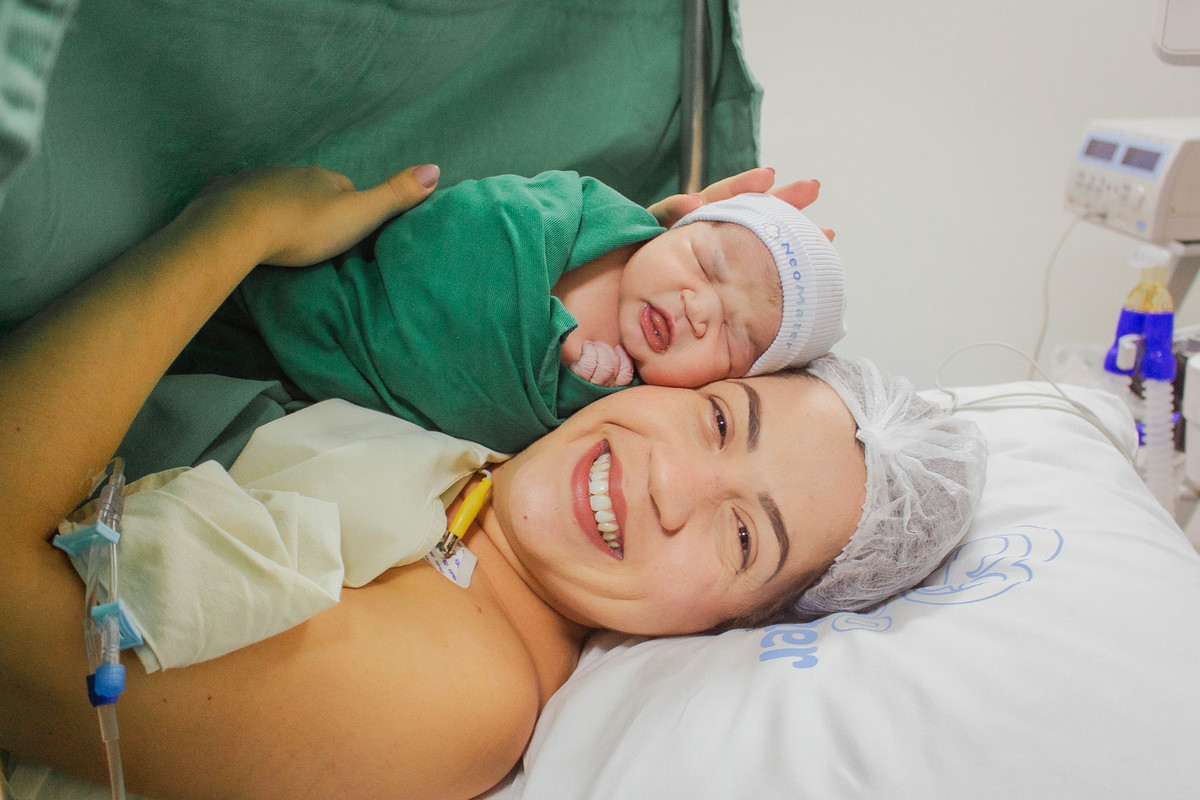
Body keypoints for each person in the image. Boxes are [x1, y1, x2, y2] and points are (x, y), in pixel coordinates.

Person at [0, 165, 986, 800]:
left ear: (739, 624)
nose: (669, 480)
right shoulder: (492, 454)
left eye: (741, 537)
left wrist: (238, 222)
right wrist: (636, 256)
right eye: (721, 419)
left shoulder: (463, 696)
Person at [182, 168, 845, 452]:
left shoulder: (632, 405)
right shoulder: (589, 214)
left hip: (316, 410)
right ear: (679, 226)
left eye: (733, 336)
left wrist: (572, 384)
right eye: (705, 263)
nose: (700, 310)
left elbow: (502, 440)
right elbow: (476, 226)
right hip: (316, 300)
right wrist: (546, 332)